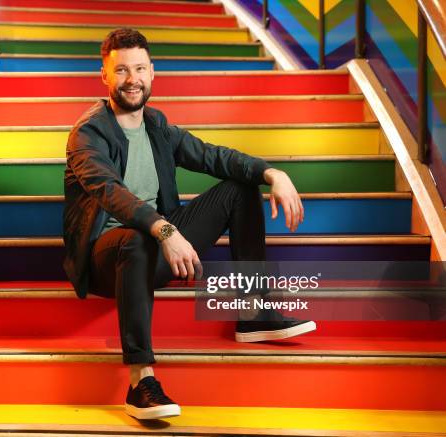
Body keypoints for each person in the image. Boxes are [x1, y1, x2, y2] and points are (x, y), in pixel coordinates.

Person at [63, 28, 316, 420]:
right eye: (122, 70)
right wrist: (165, 229)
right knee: (134, 239)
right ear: (105, 76)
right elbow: (109, 191)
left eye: (140, 69)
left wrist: (271, 173)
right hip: (108, 258)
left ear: (152, 73)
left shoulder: (157, 126)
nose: (133, 79)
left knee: (240, 187)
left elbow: (213, 156)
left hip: (155, 249)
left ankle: (254, 312)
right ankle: (139, 380)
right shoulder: (88, 133)